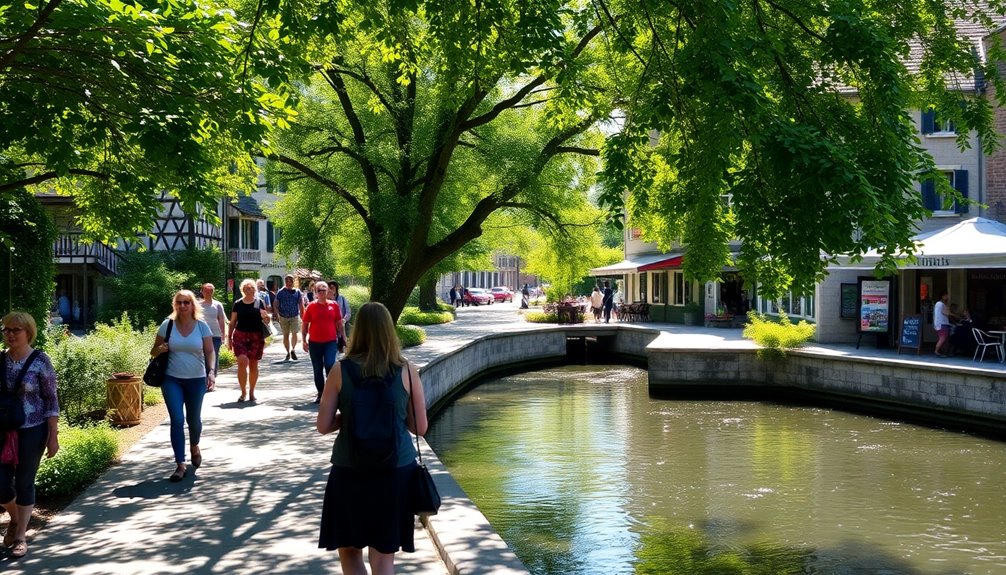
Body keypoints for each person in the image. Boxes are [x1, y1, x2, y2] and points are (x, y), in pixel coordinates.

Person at [317, 302, 428, 573]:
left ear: (358, 330)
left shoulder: (340, 370)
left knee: (349, 551)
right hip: (396, 469)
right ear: (389, 330)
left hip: (349, 468)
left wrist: (349, 417)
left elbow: (323, 425)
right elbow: (420, 428)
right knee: (383, 555)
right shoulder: (407, 370)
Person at [0, 311, 59, 559]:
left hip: (33, 429)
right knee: (1, 484)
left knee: (24, 481)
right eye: (6, 329)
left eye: (16, 330)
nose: (10, 334)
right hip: (3, 430)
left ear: (28, 332)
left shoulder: (40, 361)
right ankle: (14, 518)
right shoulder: (0, 360)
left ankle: (21, 537)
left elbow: (51, 399)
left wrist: (53, 436)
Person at [150, 290, 215, 482]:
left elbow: (210, 351)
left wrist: (211, 371)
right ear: (175, 305)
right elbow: (153, 351)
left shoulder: (201, 326)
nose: (183, 305)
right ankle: (180, 464)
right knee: (177, 420)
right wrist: (160, 349)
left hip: (196, 379)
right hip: (171, 379)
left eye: (186, 302)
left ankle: (194, 446)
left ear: (193, 305)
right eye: (179, 302)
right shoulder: (167, 325)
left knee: (193, 421)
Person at [228, 279, 271, 402]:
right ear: (243, 290)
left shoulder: (259, 302)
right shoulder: (238, 304)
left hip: (256, 336)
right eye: (247, 288)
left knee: (253, 364)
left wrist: (266, 317)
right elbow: (232, 322)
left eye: (251, 288)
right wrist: (229, 338)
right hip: (240, 335)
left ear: (254, 289)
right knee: (242, 361)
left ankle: (252, 392)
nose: (249, 290)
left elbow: (267, 321)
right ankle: (243, 392)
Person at [302, 282, 344, 404]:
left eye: (323, 290)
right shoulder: (311, 306)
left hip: (330, 342)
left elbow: (339, 323)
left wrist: (343, 338)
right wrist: (303, 340)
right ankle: (320, 392)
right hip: (314, 343)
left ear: (328, 291)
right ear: (315, 292)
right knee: (317, 368)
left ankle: (331, 392)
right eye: (319, 290)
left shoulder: (334, 305)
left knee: (330, 365)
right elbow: (305, 324)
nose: (321, 292)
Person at [199, 283, 227, 391]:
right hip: (201, 335)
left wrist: (223, 334)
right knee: (202, 358)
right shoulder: (197, 305)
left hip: (215, 335)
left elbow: (221, 319)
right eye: (206, 291)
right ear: (202, 291)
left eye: (210, 291)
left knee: (213, 357)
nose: (208, 293)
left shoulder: (217, 305)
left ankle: (212, 380)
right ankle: (204, 380)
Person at [273, 275, 306, 362]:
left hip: (294, 315)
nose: (289, 283)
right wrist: (277, 314)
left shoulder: (297, 292)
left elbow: (301, 304)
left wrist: (302, 314)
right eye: (287, 281)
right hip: (283, 316)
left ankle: (293, 349)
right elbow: (275, 304)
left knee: (294, 333)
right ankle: (287, 352)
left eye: (290, 281)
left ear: (293, 282)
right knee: (286, 335)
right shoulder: (280, 292)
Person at [331, 282, 352, 354]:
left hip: (341, 327)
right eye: (329, 287)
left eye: (332, 287)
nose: (330, 289)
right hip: (330, 327)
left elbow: (348, 311)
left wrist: (344, 320)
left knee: (343, 347)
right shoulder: (324, 300)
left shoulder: (342, 298)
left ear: (336, 288)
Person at [934, 292, 951, 357]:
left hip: (940, 323)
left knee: (943, 338)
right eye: (946, 296)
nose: (948, 297)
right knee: (942, 338)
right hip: (942, 323)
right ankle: (936, 351)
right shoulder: (941, 304)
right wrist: (955, 315)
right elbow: (946, 313)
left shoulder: (938, 304)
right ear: (943, 296)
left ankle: (943, 352)